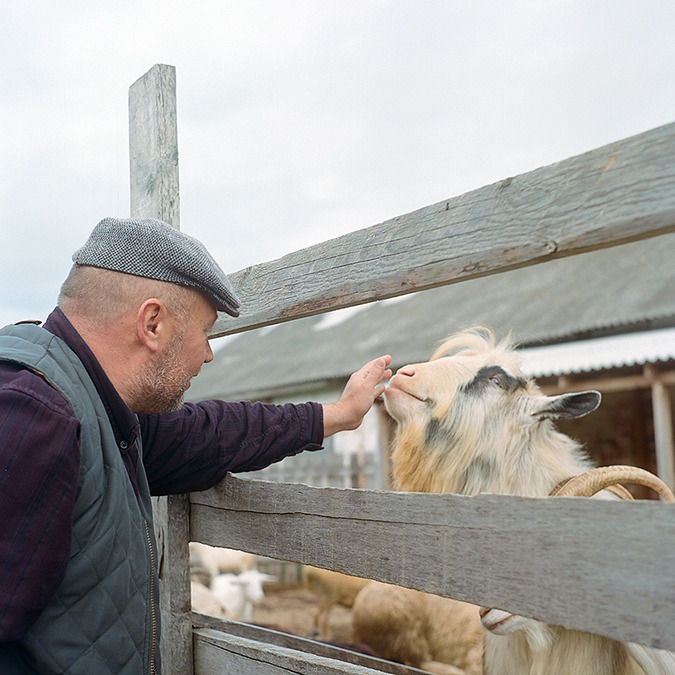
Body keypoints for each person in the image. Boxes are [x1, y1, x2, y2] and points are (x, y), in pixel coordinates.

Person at [0, 217, 392, 675]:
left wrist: (336, 416)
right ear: (152, 323)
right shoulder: (33, 414)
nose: (208, 353)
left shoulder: (99, 412)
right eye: (206, 331)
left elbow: (210, 432)